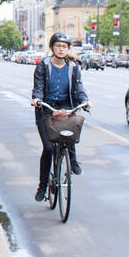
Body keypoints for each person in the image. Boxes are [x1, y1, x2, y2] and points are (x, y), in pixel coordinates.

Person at [31, 32, 89, 201]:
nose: (61, 49)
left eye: (64, 46)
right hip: (46, 110)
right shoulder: (43, 66)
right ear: (52, 47)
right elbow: (38, 86)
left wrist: (85, 101)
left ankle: (73, 159)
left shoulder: (73, 67)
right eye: (58, 46)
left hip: (65, 109)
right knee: (49, 148)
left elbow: (79, 89)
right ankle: (42, 186)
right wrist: (37, 99)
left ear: (68, 49)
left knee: (72, 130)